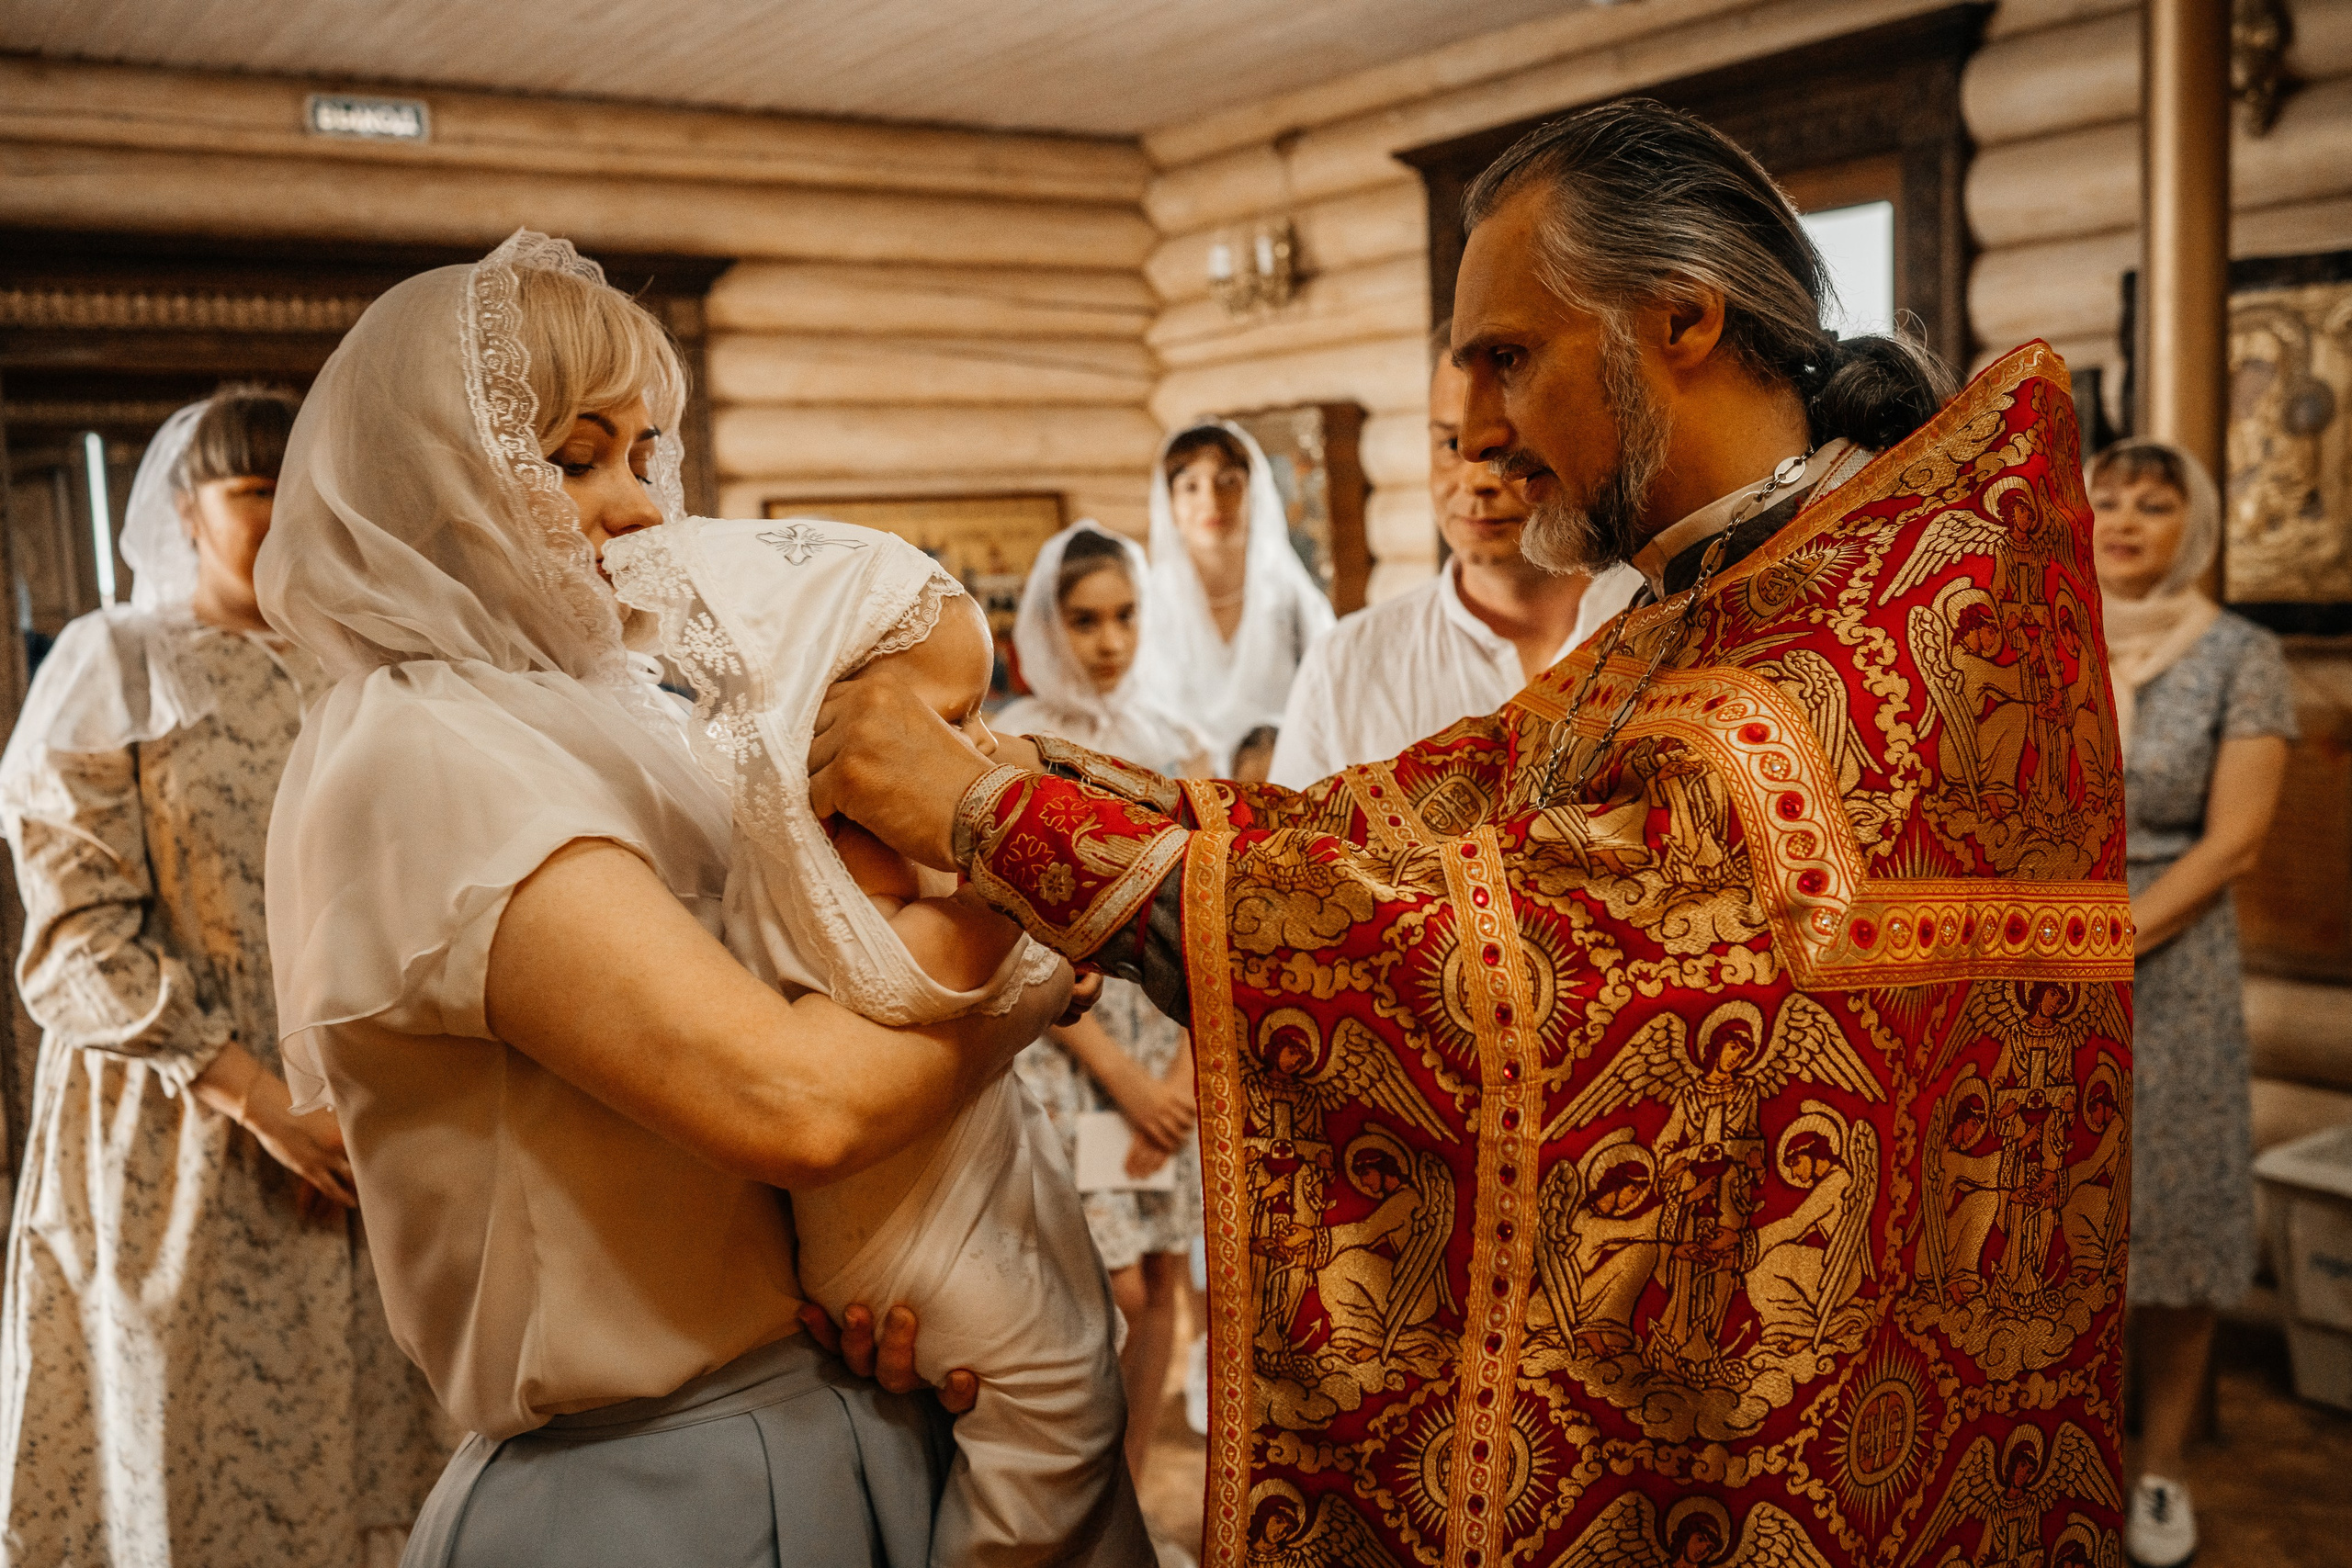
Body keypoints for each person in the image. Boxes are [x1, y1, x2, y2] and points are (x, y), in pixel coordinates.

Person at [809, 100, 2135, 1567]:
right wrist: (1012, 769)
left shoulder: (1878, 620)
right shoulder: (1709, 604)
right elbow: (1394, 824)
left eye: (1510, 356)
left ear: (1680, 320)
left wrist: (978, 814)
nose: (1484, 431)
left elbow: (1483, 962)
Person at [254, 231, 1073, 1568]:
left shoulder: (605, 718)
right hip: (646, 1485)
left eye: (645, 455)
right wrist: (1022, 909)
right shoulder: (418, 751)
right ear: (433, 478)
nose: (636, 504)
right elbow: (796, 1102)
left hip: (797, 1412)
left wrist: (857, 1270)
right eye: (574, 459)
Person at [605, 513, 1147, 1566]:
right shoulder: (844, 846)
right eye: (955, 716)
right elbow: (926, 976)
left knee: (1061, 1370)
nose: (982, 746)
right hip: (910, 1226)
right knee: (1059, 1396)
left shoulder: (804, 842)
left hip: (915, 1204)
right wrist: (1027, 898)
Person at [0, 390, 447, 1566]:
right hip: (183, 1137)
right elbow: (72, 947)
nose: (286, 512)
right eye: (254, 491)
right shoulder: (118, 665)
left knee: (386, 1468)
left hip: (370, 1133)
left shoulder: (366, 668)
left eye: (301, 486)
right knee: (203, 1480)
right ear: (184, 515)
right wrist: (256, 1095)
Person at [2086, 438, 2292, 1568]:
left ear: (2192, 528)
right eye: (2105, 499)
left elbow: (2236, 843)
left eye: (2153, 505)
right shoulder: (2041, 637)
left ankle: (2158, 1468)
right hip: (2043, 948)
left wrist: (2113, 937)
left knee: (2171, 1213)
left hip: (2171, 960)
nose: (2123, 520)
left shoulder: (2238, 656)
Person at [993, 521, 1210, 1491]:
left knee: (1163, 1275)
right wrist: (1123, 1077)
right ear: (1048, 624)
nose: (1109, 640)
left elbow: (1211, 914)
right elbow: (1029, 929)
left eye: (1126, 617)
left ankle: (1121, 1491)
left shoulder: (1179, 742)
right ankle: (1074, 1487)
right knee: (1110, 1282)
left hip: (1169, 1042)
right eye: (1085, 620)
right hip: (1077, 1050)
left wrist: (1179, 1073)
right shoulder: (1025, 743)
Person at [1267, 322, 1641, 789]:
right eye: (1450, 444)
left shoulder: (1651, 620)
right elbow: (1297, 852)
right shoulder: (1344, 668)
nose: (1475, 481)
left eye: (1506, 448)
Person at [1143, 422, 1334, 773]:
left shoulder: (1291, 598)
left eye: (1228, 482)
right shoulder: (1145, 604)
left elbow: (1330, 697)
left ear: (1255, 491)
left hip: (1283, 782)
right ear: (1169, 502)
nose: (1211, 501)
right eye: (1191, 487)